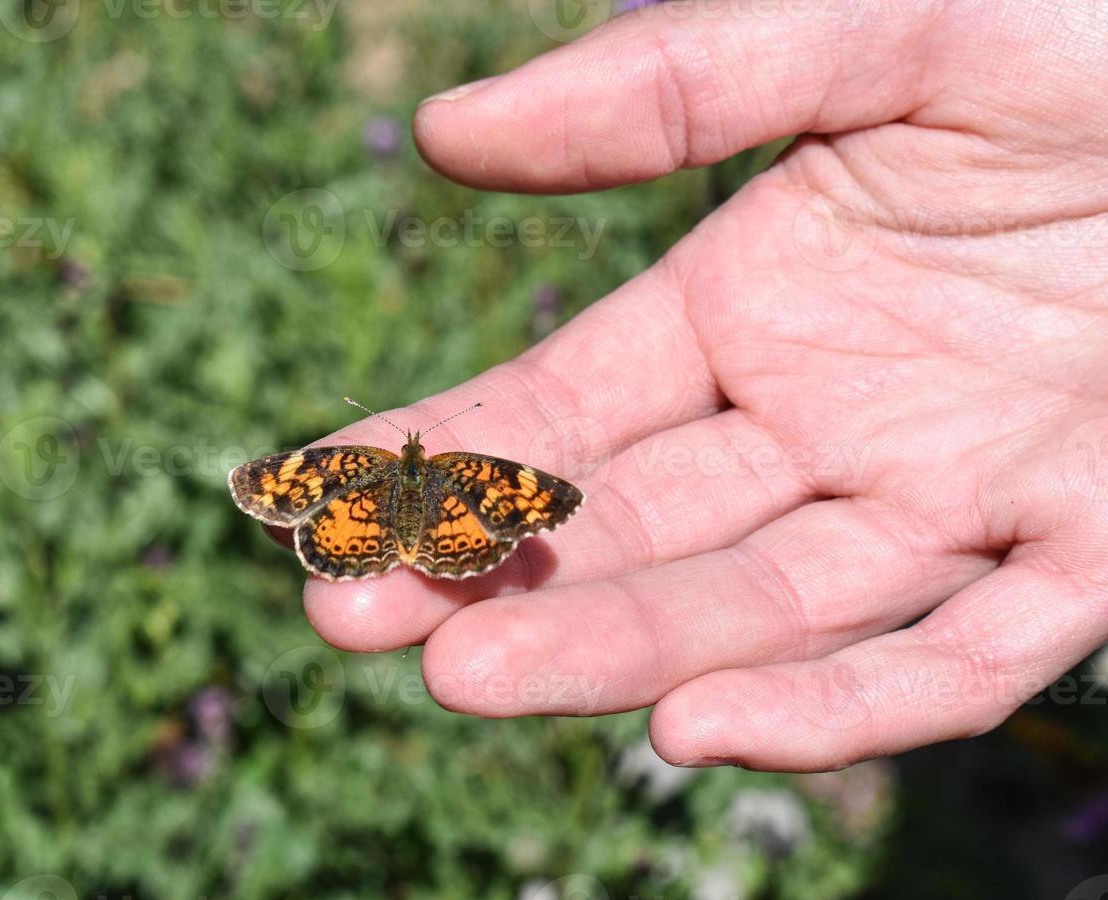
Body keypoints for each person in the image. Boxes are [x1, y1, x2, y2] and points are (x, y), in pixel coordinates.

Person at [259, 0, 1108, 772]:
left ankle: (366, 545)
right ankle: (414, 549)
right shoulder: (476, 481)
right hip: (449, 520)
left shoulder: (419, 471)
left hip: (387, 514)